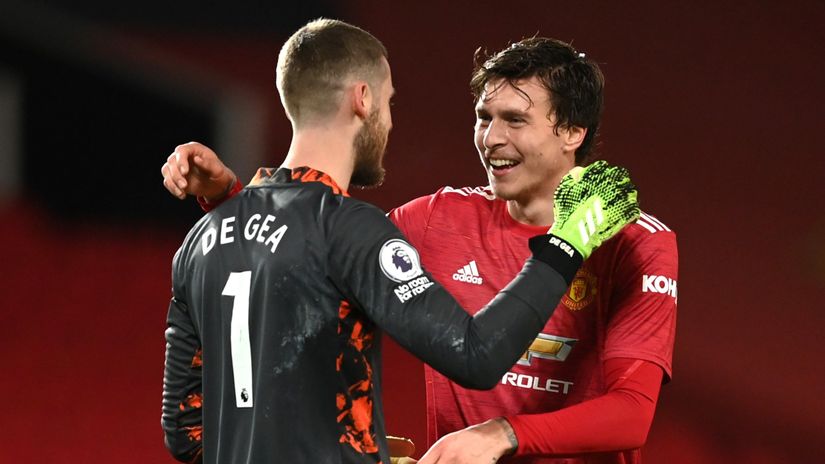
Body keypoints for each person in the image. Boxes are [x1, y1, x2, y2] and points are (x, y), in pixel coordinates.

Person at [160, 19, 641, 464]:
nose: (389, 122)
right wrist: (567, 243)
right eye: (390, 102)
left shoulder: (201, 240)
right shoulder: (352, 229)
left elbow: (185, 432)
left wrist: (232, 197)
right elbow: (475, 356)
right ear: (363, 99)